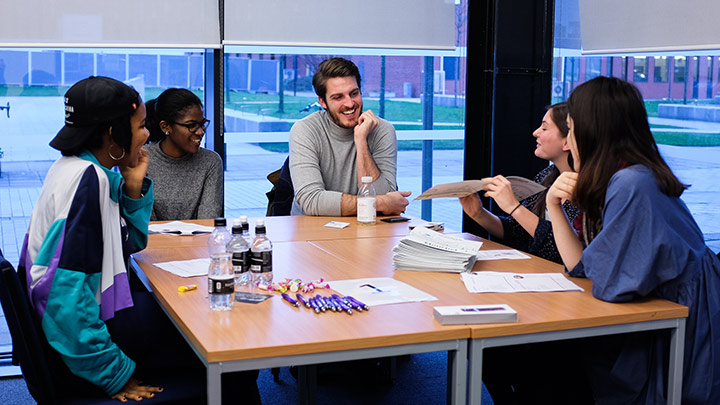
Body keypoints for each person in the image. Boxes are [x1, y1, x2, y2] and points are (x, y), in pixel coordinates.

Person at [547, 76, 720, 403]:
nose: (568, 141)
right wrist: (553, 207)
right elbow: (582, 268)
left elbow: (610, 286)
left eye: (570, 129)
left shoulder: (630, 183)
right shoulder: (628, 176)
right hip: (672, 309)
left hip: (679, 320)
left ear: (592, 129)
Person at [18, 76, 161, 401]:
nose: (147, 135)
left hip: (84, 331)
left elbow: (129, 244)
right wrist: (114, 375)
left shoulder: (75, 167)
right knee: (222, 349)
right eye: (141, 127)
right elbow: (62, 299)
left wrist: (133, 188)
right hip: (85, 344)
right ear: (114, 134)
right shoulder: (88, 181)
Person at [289, 57, 411, 216]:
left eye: (354, 93)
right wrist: (378, 203)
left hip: (366, 228)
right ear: (323, 102)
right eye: (338, 97)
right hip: (311, 231)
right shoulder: (305, 130)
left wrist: (361, 142)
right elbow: (312, 200)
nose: (349, 103)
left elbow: (385, 197)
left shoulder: (382, 130)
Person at [459, 102, 579, 263]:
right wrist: (478, 213)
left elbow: (562, 250)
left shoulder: (589, 189)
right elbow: (519, 232)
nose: (535, 133)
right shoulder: (547, 175)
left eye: (544, 128)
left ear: (568, 141)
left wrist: (513, 207)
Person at [145, 88, 223, 220]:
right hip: (153, 240)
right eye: (191, 125)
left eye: (202, 124)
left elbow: (208, 220)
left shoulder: (210, 161)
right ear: (165, 127)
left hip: (200, 240)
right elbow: (145, 222)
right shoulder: (142, 159)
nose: (200, 132)